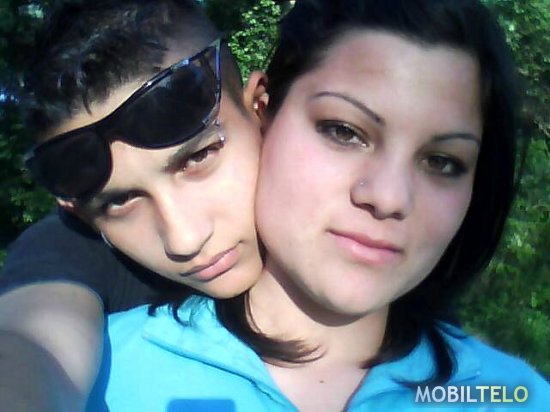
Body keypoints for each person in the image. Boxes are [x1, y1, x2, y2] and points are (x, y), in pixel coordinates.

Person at [93, 0, 549, 410]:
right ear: (261, 111)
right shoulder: (92, 377)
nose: (389, 198)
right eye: (344, 131)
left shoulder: (513, 396)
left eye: (442, 162)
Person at [0, 0, 268, 410]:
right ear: (80, 214)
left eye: (198, 158)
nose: (184, 240)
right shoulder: (70, 248)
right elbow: (34, 349)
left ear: (261, 109)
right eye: (121, 201)